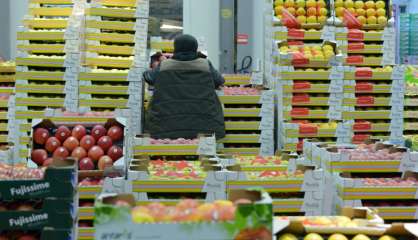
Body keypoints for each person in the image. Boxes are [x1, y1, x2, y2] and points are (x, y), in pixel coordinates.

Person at [143, 34, 225, 140]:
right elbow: (220, 81)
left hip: (165, 126)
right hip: (204, 127)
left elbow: (148, 77)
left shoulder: (165, 65)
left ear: (176, 48)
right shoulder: (205, 65)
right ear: (195, 48)